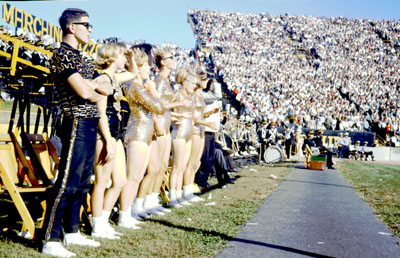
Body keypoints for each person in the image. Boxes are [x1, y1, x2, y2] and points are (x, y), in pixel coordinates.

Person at [41, 8, 111, 257]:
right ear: (72, 27)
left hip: (90, 122)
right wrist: (93, 87)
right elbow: (84, 93)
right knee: (67, 182)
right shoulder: (62, 55)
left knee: (82, 182)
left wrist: (92, 85)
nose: (90, 29)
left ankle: (71, 232)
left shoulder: (83, 58)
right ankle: (50, 239)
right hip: (75, 122)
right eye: (87, 25)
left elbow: (108, 88)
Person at [91, 42, 134, 239]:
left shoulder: (113, 78)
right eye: (122, 56)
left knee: (120, 180)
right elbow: (100, 112)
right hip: (105, 134)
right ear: (112, 57)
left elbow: (134, 74)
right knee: (102, 181)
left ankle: (103, 220)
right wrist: (107, 139)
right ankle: (97, 225)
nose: (124, 59)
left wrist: (131, 58)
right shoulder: (102, 79)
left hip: (114, 133)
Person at [119, 49, 164, 228]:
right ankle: (123, 214)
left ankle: (128, 211)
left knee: (137, 176)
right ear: (137, 67)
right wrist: (153, 91)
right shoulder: (135, 87)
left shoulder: (137, 86)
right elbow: (158, 107)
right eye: (144, 65)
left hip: (144, 133)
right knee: (132, 176)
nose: (149, 67)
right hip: (137, 132)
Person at [195, 79, 221, 192]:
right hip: (205, 129)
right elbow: (218, 95)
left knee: (210, 159)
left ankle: (204, 182)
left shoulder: (209, 96)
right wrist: (216, 83)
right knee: (204, 158)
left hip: (212, 129)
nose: (211, 86)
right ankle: (199, 182)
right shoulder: (203, 95)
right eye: (210, 84)